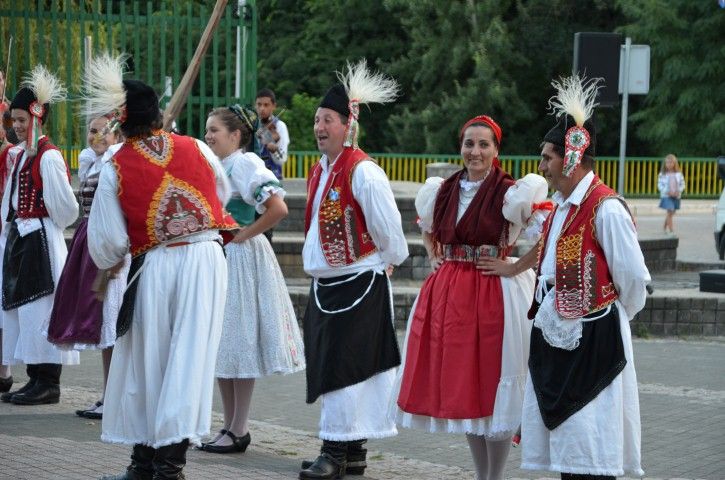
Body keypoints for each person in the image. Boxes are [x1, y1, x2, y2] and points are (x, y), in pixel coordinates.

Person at [83, 53, 238, 480]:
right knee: (187, 361)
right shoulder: (197, 146)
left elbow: (108, 243)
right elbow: (220, 194)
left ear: (120, 121)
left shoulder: (115, 164)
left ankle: (155, 466)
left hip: (157, 263)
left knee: (146, 361)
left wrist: (111, 263)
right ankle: (158, 465)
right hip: (205, 259)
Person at [392, 115, 550, 480]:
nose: (475, 151)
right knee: (466, 386)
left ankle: (495, 476)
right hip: (449, 293)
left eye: (483, 144)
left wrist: (515, 266)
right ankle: (482, 475)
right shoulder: (443, 190)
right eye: (469, 144)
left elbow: (549, 235)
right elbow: (428, 228)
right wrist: (433, 254)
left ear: (496, 150)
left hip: (494, 292)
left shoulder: (511, 192)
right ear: (460, 147)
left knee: (493, 384)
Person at [520, 75, 649, 479]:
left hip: (594, 339)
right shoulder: (560, 207)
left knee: (591, 436)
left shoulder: (606, 208)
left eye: (547, 158)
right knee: (568, 442)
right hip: (558, 336)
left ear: (572, 158)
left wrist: (607, 318)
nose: (542, 166)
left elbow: (633, 281)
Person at [299, 59, 408, 480]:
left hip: (358, 283)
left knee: (346, 369)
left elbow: (389, 231)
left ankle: (335, 451)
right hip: (329, 284)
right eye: (316, 120)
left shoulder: (363, 172)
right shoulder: (320, 170)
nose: (319, 127)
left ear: (348, 126)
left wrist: (386, 261)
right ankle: (351, 452)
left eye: (327, 120)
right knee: (339, 366)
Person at [198, 105, 304, 454]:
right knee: (222, 341)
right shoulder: (217, 165)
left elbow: (278, 208)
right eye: (207, 130)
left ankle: (239, 426)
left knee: (238, 340)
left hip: (241, 258)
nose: (208, 135)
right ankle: (229, 424)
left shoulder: (244, 164)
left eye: (214, 130)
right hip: (221, 255)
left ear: (235, 135)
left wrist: (243, 235)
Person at [0, 65, 79, 406]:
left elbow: (67, 209)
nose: (17, 126)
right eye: (14, 120)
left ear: (37, 117)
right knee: (28, 310)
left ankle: (48, 381)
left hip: (42, 240)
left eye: (22, 120)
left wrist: (42, 222)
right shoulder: (22, 154)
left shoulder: (48, 157)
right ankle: (35, 376)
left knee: (42, 307)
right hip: (24, 238)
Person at [45, 115, 130, 420]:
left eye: (104, 131)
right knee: (104, 324)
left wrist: (116, 252)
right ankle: (109, 395)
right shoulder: (92, 163)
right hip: (90, 242)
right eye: (92, 131)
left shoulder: (117, 164)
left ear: (117, 135)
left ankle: (116, 397)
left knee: (113, 322)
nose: (97, 136)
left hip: (111, 246)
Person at [253, 88, 289, 243]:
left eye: (266, 105)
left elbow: (282, 159)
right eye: (259, 104)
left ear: (274, 106)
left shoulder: (280, 127)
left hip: (270, 182)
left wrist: (273, 148)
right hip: (253, 181)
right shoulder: (252, 125)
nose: (262, 109)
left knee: (266, 230)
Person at [657, 153, 685, 235]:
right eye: (667, 162)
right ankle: (671, 231)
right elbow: (659, 185)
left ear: (675, 163)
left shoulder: (679, 174)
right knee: (670, 210)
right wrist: (666, 191)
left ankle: (664, 227)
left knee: (671, 213)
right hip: (667, 196)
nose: (669, 164)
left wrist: (678, 191)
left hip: (676, 196)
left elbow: (682, 184)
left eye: (671, 162)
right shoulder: (662, 174)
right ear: (665, 164)